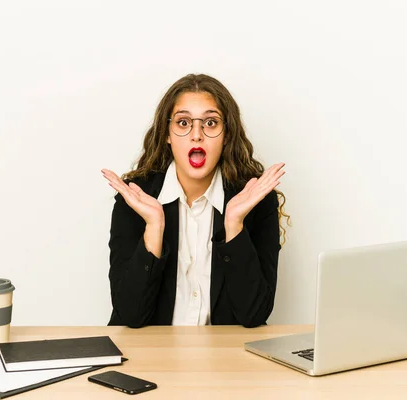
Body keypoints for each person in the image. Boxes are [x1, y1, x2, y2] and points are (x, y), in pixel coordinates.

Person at [101, 73, 289, 328]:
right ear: (167, 134)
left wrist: (234, 225)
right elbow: (130, 316)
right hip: (151, 358)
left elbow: (254, 315)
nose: (197, 135)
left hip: (225, 360)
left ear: (226, 135)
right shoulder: (135, 200)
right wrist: (154, 226)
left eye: (210, 123)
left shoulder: (255, 202)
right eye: (183, 123)